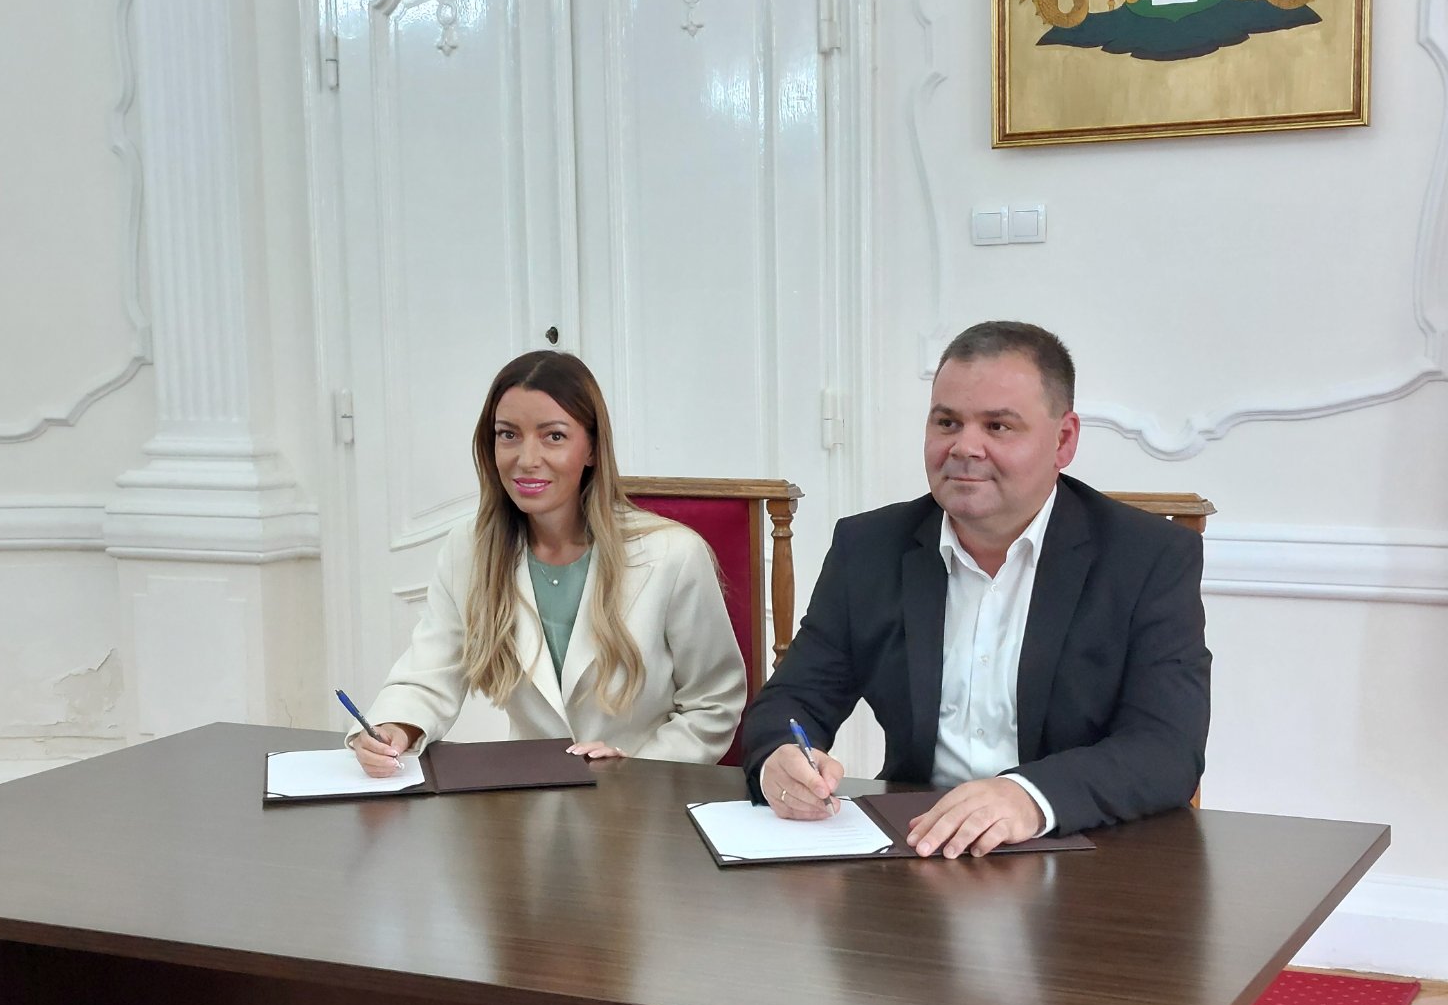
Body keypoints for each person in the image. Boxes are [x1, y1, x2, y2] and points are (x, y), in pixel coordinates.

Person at [742, 321, 1209, 856]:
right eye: (947, 422)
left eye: (998, 426)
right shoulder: (869, 548)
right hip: (918, 849)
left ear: (1063, 441)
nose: (965, 447)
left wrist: (1028, 796)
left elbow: (1166, 747)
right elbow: (795, 700)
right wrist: (781, 756)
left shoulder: (1147, 557)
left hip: (1086, 853)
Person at [350, 350, 745, 775]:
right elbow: (429, 672)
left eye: (553, 436)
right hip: (528, 794)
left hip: (643, 795)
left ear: (591, 448)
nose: (526, 459)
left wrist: (637, 768)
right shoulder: (469, 549)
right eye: (508, 434)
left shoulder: (674, 555)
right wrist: (395, 727)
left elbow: (713, 703)